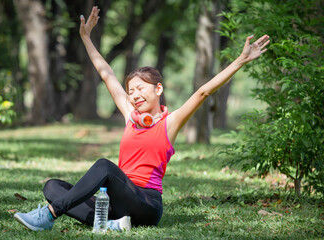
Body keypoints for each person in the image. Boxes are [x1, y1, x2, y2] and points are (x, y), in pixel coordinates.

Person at [14, 6, 270, 231]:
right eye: (130, 91)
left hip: (146, 205)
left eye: (140, 89)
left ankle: (49, 214)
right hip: (116, 202)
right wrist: (86, 37)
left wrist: (241, 59)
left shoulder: (171, 122)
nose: (134, 95)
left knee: (104, 166)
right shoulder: (130, 116)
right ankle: (112, 224)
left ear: (158, 89)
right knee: (53, 187)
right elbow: (106, 74)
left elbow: (203, 92)